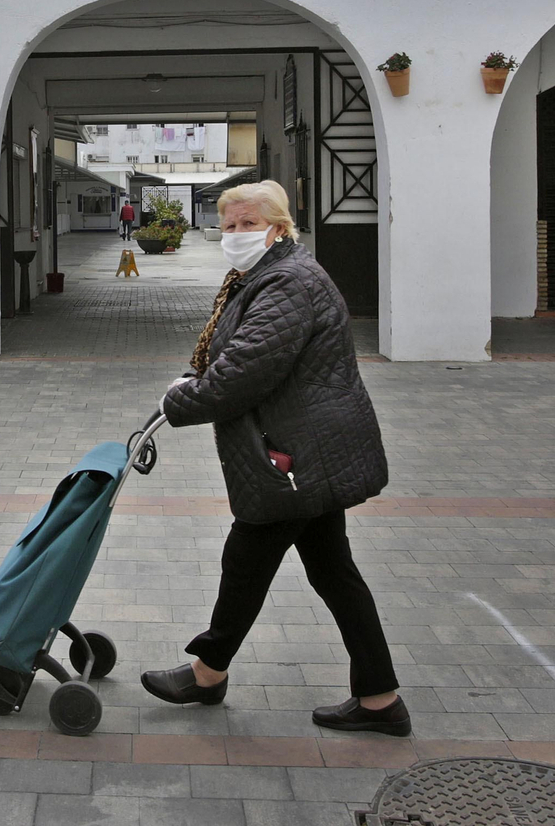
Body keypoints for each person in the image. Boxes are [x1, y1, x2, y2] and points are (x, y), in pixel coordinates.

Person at [140, 180, 409, 736]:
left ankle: (207, 673)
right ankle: (381, 700)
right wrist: (193, 380)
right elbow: (235, 353)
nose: (234, 234)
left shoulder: (286, 281)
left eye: (247, 224)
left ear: (279, 227)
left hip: (297, 455)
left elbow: (245, 371)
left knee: (248, 560)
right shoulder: (265, 275)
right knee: (333, 572)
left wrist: (178, 400)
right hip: (307, 450)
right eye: (228, 225)